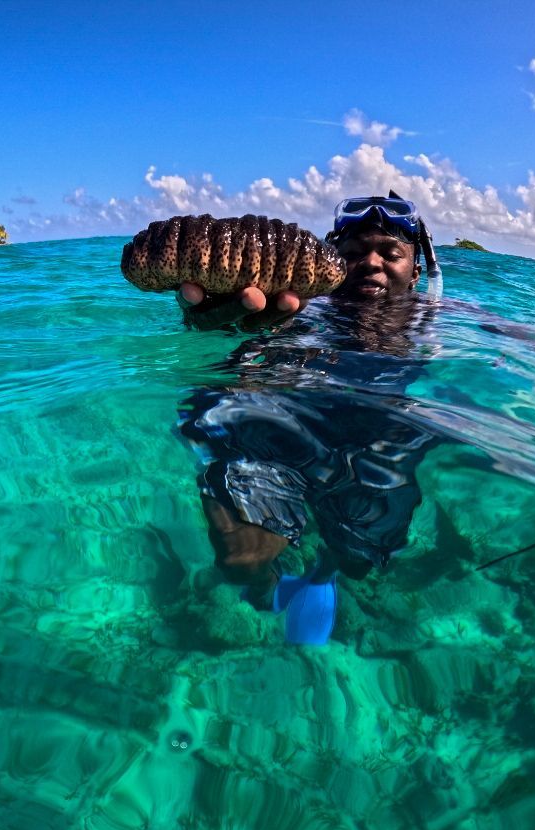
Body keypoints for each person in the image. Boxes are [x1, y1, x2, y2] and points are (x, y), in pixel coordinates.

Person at [174, 193, 446, 644]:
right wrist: (214, 325)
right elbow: (240, 342)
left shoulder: (443, 319)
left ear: (415, 271)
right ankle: (267, 585)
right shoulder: (301, 308)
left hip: (379, 434)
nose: (371, 263)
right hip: (284, 420)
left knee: (359, 558)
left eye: (390, 253)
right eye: (354, 254)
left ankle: (324, 571)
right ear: (331, 264)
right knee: (241, 557)